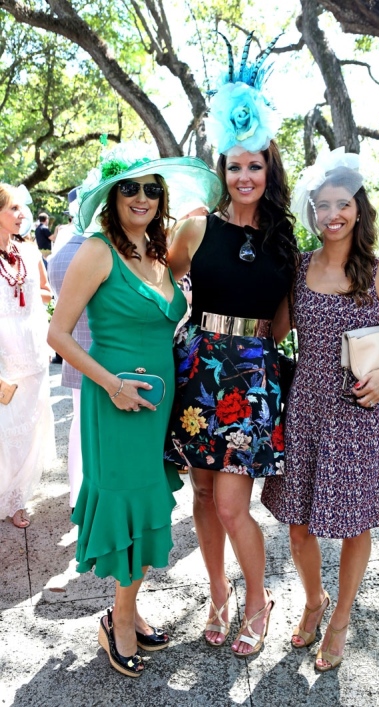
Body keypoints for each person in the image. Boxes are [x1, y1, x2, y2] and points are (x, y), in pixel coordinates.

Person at [47, 140, 222, 678]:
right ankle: (118, 622)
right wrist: (113, 385)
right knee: (126, 504)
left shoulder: (159, 253)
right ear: (112, 195)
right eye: (130, 188)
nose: (142, 197)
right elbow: (59, 333)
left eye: (151, 189)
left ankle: (129, 610)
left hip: (158, 405)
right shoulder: (97, 249)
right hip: (116, 403)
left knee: (148, 508)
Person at [164, 32, 300, 657]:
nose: (245, 175)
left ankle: (257, 599)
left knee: (229, 504)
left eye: (256, 164)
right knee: (200, 494)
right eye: (235, 164)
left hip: (251, 377)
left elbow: (288, 315)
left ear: (268, 170)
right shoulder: (196, 227)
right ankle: (217, 595)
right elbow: (155, 282)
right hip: (197, 367)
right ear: (221, 170)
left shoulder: (283, 238)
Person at [261, 148, 379, 672]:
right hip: (306, 409)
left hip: (359, 410)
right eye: (322, 204)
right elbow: (275, 331)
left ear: (358, 208)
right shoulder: (299, 268)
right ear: (311, 211)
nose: (333, 214)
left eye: (342, 203)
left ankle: (340, 618)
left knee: (355, 525)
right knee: (299, 524)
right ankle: (314, 600)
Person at [0, 184, 55, 529]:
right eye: (15, 209)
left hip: (33, 353)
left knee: (30, 429)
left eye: (22, 209)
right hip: (4, 358)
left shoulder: (30, 252)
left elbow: (48, 292)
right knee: (5, 431)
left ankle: (16, 498)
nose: (22, 215)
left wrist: (35, 296)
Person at [47, 226, 92, 509]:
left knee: (79, 426)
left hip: (77, 350)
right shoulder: (99, 251)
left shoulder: (62, 252)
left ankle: (77, 495)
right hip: (101, 354)